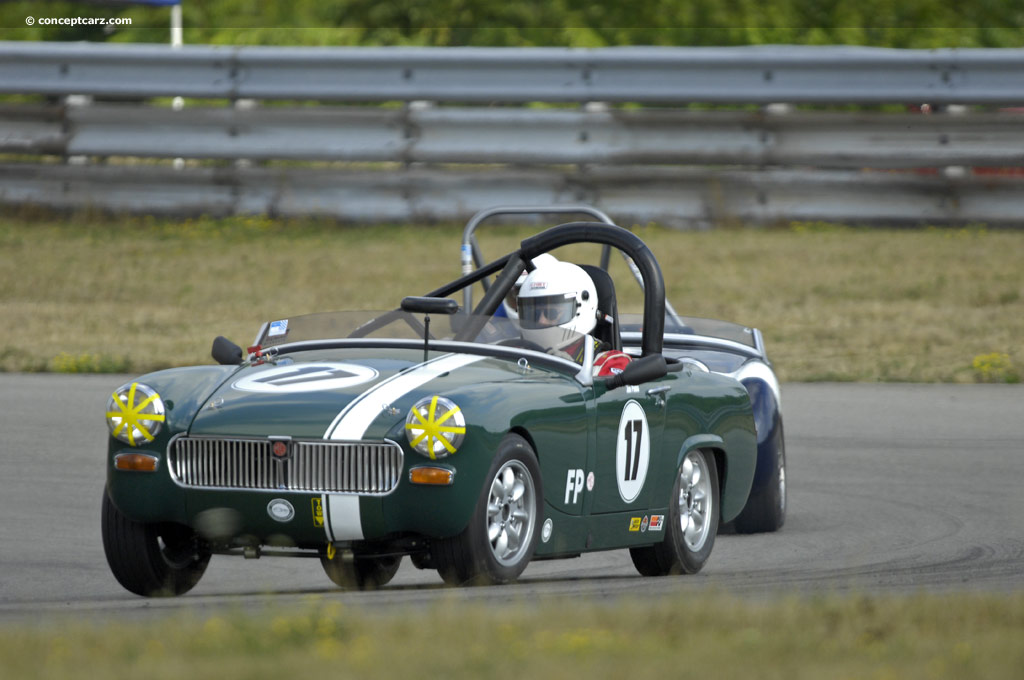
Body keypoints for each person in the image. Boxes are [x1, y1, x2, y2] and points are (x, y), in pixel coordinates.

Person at [516, 261, 632, 376]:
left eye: (551, 313)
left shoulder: (611, 363)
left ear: (582, 308)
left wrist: (570, 375)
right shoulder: (512, 353)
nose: (541, 321)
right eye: (533, 314)